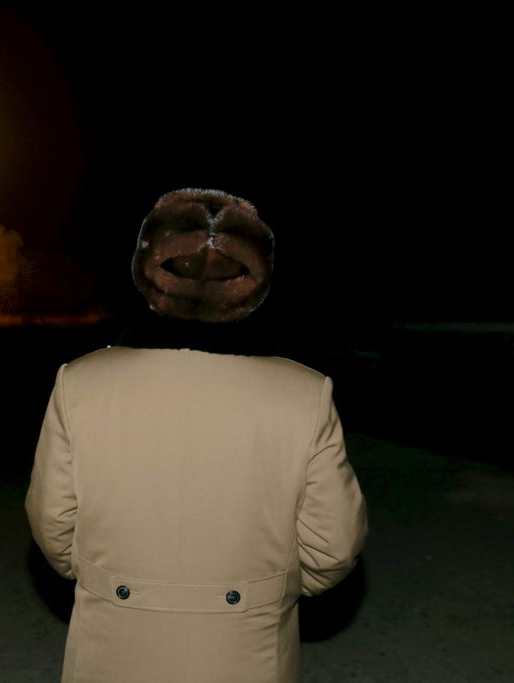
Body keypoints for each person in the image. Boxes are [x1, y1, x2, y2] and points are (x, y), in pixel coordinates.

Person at [25, 188, 368, 682]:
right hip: (247, 651)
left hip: (115, 645)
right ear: (255, 284)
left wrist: (116, 583)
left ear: (147, 275)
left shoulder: (80, 381)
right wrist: (269, 591)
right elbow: (333, 546)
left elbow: (53, 527)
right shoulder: (304, 393)